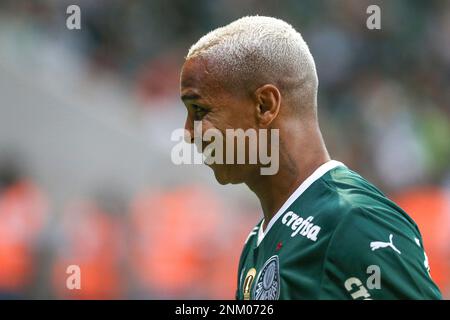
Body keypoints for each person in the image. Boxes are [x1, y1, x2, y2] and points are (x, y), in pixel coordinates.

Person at [179, 16, 441, 300]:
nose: (188, 133)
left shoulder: (351, 221)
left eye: (200, 110)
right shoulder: (260, 238)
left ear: (265, 105)